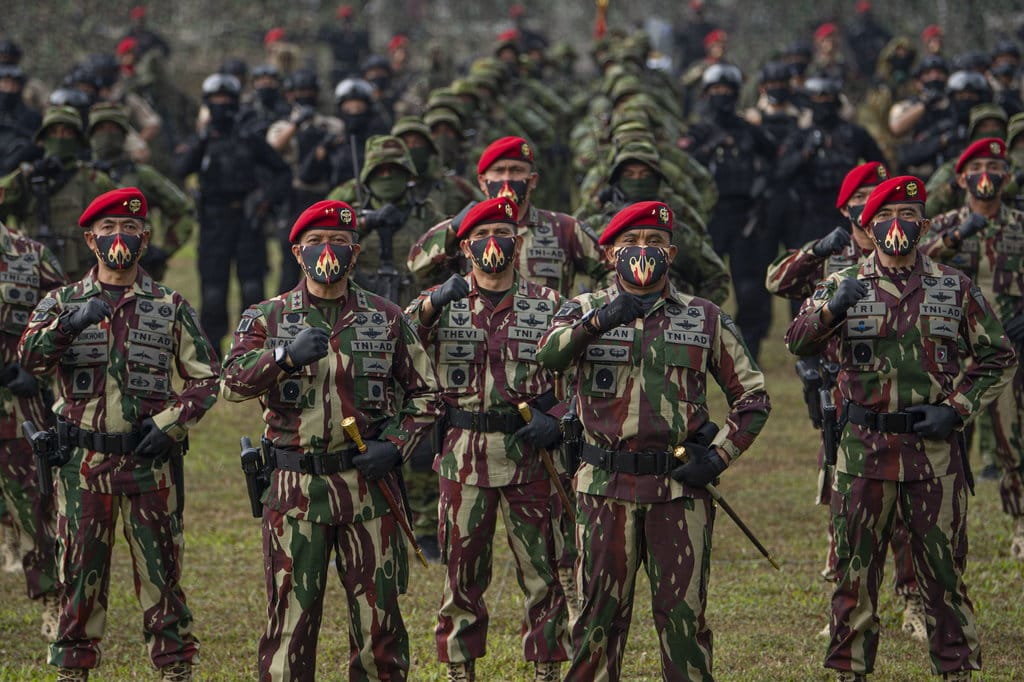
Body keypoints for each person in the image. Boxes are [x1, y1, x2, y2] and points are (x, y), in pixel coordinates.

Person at [785, 176, 1017, 681]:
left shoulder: (952, 286)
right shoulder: (842, 282)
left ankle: (955, 669)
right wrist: (830, 308)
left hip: (932, 453)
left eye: (909, 215)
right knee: (854, 577)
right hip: (862, 453)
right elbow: (796, 341)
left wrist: (957, 408)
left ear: (924, 225)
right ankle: (850, 672)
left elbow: (998, 356)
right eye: (887, 215)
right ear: (867, 224)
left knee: (944, 576)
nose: (898, 224)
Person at [536, 200, 771, 681]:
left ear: (673, 253)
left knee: (684, 620)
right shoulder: (582, 310)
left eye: (655, 244)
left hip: (678, 492)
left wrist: (718, 456)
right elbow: (548, 358)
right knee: (596, 621)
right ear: (608, 256)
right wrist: (601, 320)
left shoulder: (704, 318)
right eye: (630, 245)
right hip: (603, 487)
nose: (643, 252)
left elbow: (754, 396)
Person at [221, 199, 439, 681]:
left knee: (379, 622)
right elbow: (231, 383)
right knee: (292, 622)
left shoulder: (384, 317)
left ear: (355, 253)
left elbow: (428, 394)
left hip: (368, 490)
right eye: (317, 242)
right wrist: (281, 357)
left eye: (339, 242)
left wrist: (397, 445)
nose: (328, 251)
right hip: (295, 491)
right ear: (298, 253)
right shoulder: (267, 317)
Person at [19, 187, 221, 682]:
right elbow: (29, 360)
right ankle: (73, 667)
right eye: (107, 230)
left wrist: (171, 424)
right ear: (90, 240)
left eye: (129, 229)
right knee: (79, 574)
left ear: (145, 238)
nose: (119, 238)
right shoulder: (61, 301)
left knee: (162, 574)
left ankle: (174, 666)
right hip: (82, 466)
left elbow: (207, 378)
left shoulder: (168, 305)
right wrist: (68, 325)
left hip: (149, 464)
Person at [406, 197, 569, 682]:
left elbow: (581, 374)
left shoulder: (550, 304)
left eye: (503, 232)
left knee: (543, 569)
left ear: (518, 242)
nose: (492, 243)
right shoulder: (439, 302)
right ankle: (460, 667)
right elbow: (397, 343)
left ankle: (546, 665)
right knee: (461, 572)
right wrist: (434, 301)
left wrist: (559, 419)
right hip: (462, 455)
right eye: (481, 236)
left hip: (530, 453)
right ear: (464, 247)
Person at [921, 138, 1024, 559]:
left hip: (1006, 348)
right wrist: (956, 237)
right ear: (961, 178)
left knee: (1010, 435)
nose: (987, 173)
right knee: (943, 436)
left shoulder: (1020, 223)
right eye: (977, 165)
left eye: (995, 165)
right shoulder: (943, 223)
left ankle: (1019, 521)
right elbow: (911, 259)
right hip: (951, 348)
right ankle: (940, 524)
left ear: (1008, 176)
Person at [173, 73, 290, 353]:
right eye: (216, 100)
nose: (222, 105)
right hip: (214, 222)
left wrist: (265, 199)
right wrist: (202, 139)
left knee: (252, 289)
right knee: (213, 293)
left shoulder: (249, 138)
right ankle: (211, 354)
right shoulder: (203, 138)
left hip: (247, 221)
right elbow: (180, 168)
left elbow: (282, 172)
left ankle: (254, 349)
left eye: (227, 99)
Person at [408, 136, 609, 296]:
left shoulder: (565, 228)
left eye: (516, 171)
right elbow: (416, 266)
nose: (507, 179)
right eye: (498, 171)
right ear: (482, 182)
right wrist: (452, 228)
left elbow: (612, 268)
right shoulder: (464, 231)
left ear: (532, 181)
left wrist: (587, 307)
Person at [0, 217, 66, 638]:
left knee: (35, 509)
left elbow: (65, 320)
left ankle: (51, 601)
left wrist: (40, 374)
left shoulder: (31, 257)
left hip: (18, 411)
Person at [683, 64, 777, 360]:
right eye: (715, 91)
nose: (721, 97)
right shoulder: (697, 131)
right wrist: (710, 147)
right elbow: (683, 166)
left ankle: (749, 353)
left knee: (750, 290)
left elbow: (775, 158)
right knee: (703, 284)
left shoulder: (748, 130)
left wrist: (763, 188)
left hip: (744, 217)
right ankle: (693, 345)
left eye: (727, 91)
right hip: (709, 217)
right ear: (707, 94)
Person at [0, 105, 116, 280]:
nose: (60, 138)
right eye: (54, 132)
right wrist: (21, 177)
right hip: (32, 274)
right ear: (44, 138)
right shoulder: (26, 179)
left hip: (85, 278)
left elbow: (124, 224)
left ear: (77, 139)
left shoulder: (94, 181)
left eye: (67, 132)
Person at [86, 103, 195, 281]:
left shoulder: (142, 175)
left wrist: (162, 251)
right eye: (101, 129)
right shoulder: (80, 176)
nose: (106, 135)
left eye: (113, 129)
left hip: (135, 271)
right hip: (87, 272)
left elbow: (183, 211)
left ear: (123, 135)